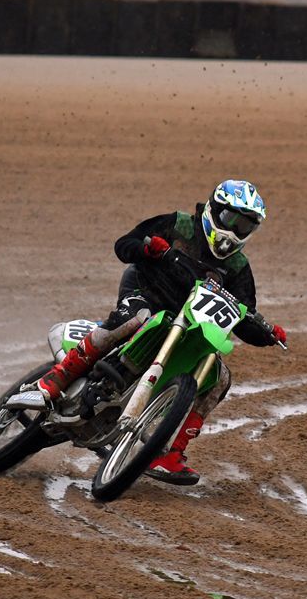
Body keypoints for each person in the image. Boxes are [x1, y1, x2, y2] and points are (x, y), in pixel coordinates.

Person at [36, 179, 287, 484]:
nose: (234, 230)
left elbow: (243, 316)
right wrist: (147, 248)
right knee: (135, 319)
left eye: (245, 225)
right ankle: (59, 376)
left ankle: (171, 453)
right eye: (230, 219)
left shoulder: (237, 267)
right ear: (214, 210)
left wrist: (268, 333)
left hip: (188, 324)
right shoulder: (178, 225)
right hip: (146, 293)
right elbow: (124, 245)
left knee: (220, 377)